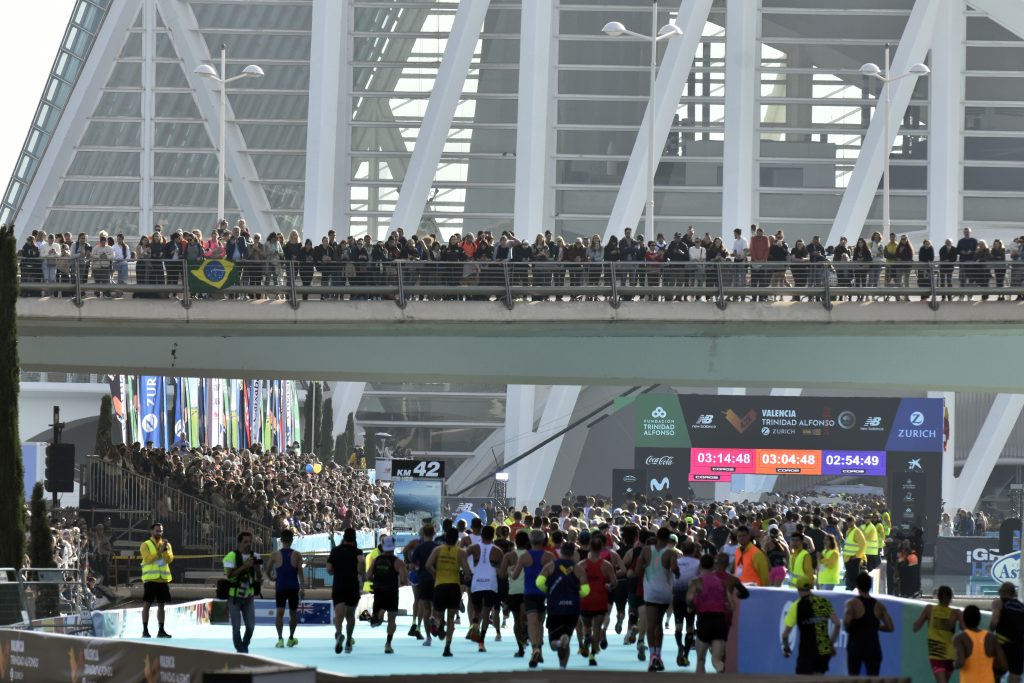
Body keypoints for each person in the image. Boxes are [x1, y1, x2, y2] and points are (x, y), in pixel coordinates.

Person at [537, 542, 589, 670]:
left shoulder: (550, 566)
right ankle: (562, 668)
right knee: (567, 640)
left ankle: (560, 642)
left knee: (554, 644)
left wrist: (547, 590)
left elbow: (539, 582)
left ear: (561, 552)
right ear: (573, 554)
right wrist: (578, 595)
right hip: (572, 609)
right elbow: (586, 590)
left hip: (555, 608)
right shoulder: (578, 569)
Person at [782, 576, 841, 675]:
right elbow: (838, 624)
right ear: (811, 587)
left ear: (797, 588)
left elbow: (785, 635)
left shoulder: (796, 605)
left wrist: (786, 648)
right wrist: (830, 644)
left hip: (807, 651)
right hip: (823, 651)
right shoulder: (823, 601)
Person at [511, 529, 553, 668]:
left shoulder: (524, 557)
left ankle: (534, 648)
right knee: (540, 623)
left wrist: (510, 571)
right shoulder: (548, 556)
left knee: (531, 622)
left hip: (529, 593)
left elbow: (515, 576)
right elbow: (555, 575)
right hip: (543, 594)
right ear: (543, 541)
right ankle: (539, 649)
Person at [636, 526, 674, 671]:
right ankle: (658, 655)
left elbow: (638, 570)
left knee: (651, 625)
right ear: (668, 538)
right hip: (665, 592)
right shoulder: (671, 553)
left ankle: (652, 655)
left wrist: (646, 568)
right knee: (659, 624)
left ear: (657, 536)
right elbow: (675, 570)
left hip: (650, 592)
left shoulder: (646, 550)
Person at [685, 554, 730, 674]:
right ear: (713, 566)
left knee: (700, 660)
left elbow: (689, 599)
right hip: (720, 620)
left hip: (704, 619)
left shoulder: (696, 582)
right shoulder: (722, 583)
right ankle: (720, 669)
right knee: (717, 660)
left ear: (700, 565)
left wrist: (690, 607)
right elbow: (731, 606)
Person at [426, 527, 466, 658]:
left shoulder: (438, 550)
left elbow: (427, 565)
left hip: (440, 585)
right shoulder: (460, 552)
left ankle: (438, 624)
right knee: (451, 618)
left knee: (439, 613)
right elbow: (467, 570)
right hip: (454, 586)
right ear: (457, 539)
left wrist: (435, 573)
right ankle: (447, 647)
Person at [843, 572, 894, 675]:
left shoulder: (852, 604)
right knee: (873, 679)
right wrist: (874, 626)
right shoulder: (879, 606)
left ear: (857, 586)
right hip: (873, 647)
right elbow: (890, 627)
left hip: (855, 647)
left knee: (853, 679)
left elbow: (846, 623)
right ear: (870, 585)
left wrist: (853, 628)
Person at [578, 532, 616, 666]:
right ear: (601, 549)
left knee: (587, 627)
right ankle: (592, 655)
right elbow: (615, 583)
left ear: (589, 548)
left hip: (585, 600)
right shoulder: (606, 565)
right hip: (600, 600)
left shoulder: (582, 565)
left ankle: (586, 639)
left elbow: (575, 581)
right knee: (597, 628)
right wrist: (608, 586)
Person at [464, 524, 503, 652]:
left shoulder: (473, 548)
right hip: (490, 584)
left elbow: (462, 556)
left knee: (476, 610)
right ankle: (481, 642)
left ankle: (474, 623)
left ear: (481, 535)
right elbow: (501, 571)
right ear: (493, 536)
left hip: (476, 582)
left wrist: (467, 571)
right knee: (486, 614)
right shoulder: (498, 551)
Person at [913, 585, 963, 683]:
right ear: (951, 597)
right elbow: (965, 629)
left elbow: (915, 627)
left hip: (936, 653)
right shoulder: (956, 613)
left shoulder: (929, 609)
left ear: (938, 596)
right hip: (950, 655)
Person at [326, 527, 364, 654]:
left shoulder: (335, 551)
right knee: (350, 615)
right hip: (352, 585)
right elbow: (362, 563)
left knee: (339, 615)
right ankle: (348, 641)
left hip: (339, 585)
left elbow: (329, 569)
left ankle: (338, 634)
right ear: (354, 539)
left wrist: (336, 570)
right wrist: (361, 574)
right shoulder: (357, 551)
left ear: (344, 537)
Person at [222, 531, 262, 653]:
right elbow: (230, 575)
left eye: (250, 542)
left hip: (248, 597)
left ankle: (245, 644)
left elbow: (260, 576)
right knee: (236, 627)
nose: (248, 544)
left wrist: (256, 568)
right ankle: (240, 650)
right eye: (245, 542)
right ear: (239, 543)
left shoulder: (256, 556)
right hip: (234, 597)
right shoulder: (230, 556)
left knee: (251, 626)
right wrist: (245, 566)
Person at [264, 528, 304, 648]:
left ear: (281, 540)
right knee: (293, 614)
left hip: (280, 586)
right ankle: (291, 638)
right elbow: (300, 573)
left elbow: (267, 571)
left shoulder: (275, 554)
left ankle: (280, 639)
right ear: (292, 540)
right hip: (293, 587)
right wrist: (303, 588)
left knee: (279, 613)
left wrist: (272, 579)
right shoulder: (297, 554)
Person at [369, 535, 408, 654]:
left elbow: (368, 576)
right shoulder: (398, 562)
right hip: (391, 591)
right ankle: (388, 644)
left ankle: (379, 613)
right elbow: (404, 580)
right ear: (393, 547)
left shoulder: (376, 560)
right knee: (392, 619)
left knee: (375, 623)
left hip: (378, 590)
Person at [954, 605, 1006, 682]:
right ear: (979, 619)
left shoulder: (959, 638)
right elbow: (1003, 664)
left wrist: (954, 664)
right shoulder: (991, 637)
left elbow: (960, 662)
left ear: (964, 620)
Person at [499, 530, 530, 658]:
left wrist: (509, 570)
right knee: (529, 618)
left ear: (515, 542)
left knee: (517, 620)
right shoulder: (531, 555)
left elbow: (501, 575)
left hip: (514, 591)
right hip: (529, 591)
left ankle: (520, 648)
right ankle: (527, 633)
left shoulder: (509, 556)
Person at [140, 522, 173, 638]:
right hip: (150, 580)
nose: (159, 533)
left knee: (161, 606)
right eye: (157, 531)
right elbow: (148, 559)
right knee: (147, 605)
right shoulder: (146, 545)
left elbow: (169, 559)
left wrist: (164, 551)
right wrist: (159, 551)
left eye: (161, 531)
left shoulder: (167, 545)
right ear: (152, 531)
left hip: (163, 580)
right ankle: (145, 630)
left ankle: (161, 630)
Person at [408, 524, 437, 646]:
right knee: (435, 606)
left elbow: (412, 565)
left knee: (425, 608)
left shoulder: (419, 548)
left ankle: (428, 637)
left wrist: (415, 568)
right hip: (436, 579)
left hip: (423, 579)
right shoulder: (438, 547)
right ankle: (434, 619)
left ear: (423, 534)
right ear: (434, 534)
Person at [990, 581, 1024, 683]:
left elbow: (995, 620)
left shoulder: (998, 602)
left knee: (996, 675)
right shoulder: (1022, 607)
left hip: (1002, 644)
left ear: (1003, 592)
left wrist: (991, 628)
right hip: (1019, 646)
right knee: (1015, 674)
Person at [842, 516, 867, 590]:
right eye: (848, 521)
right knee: (850, 577)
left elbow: (863, 544)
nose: (849, 522)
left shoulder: (856, 531)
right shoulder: (848, 531)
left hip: (853, 559)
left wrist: (857, 556)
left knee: (854, 578)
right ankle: (851, 589)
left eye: (850, 520)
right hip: (848, 558)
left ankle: (854, 591)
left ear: (854, 521)